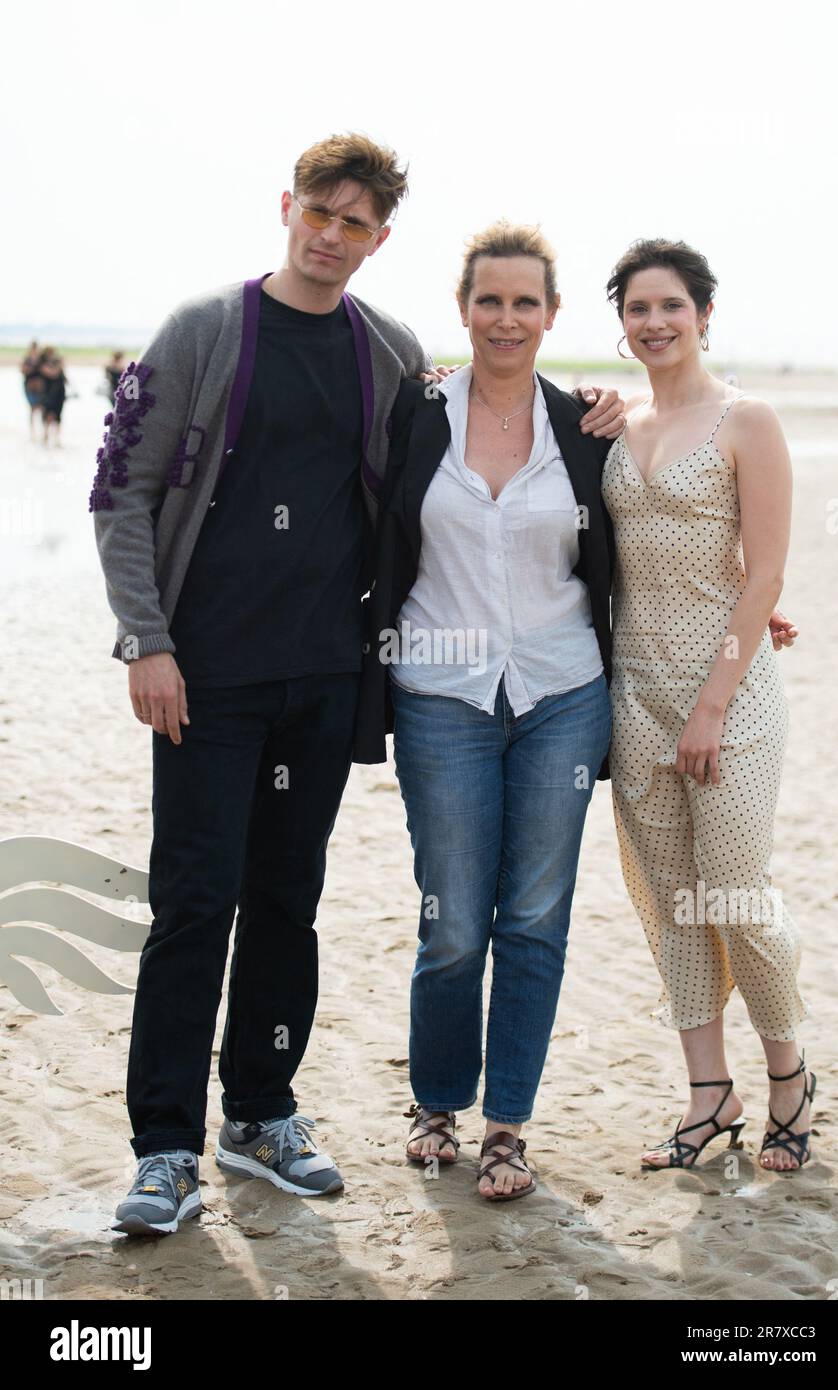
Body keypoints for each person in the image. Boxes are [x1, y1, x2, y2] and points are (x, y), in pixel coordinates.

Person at [92, 138, 623, 1236]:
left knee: (288, 904)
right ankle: (162, 1148)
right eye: (318, 214)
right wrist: (145, 638)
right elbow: (119, 487)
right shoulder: (203, 330)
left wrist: (609, 419)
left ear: (380, 239)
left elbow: (434, 481)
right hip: (204, 676)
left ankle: (263, 1113)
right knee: (193, 904)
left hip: (327, 680)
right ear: (286, 208)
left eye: (356, 224)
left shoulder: (386, 351)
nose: (331, 237)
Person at [354, 221, 628, 1200]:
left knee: (534, 919)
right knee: (455, 918)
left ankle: (506, 1123)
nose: (505, 318)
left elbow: (667, 527)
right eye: (488, 300)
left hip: (562, 696)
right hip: (442, 697)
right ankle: (436, 1099)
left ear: (551, 315)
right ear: (463, 309)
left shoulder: (585, 428)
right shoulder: (415, 416)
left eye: (524, 302)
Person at [600, 239, 815, 1173]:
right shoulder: (614, 423)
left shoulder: (746, 419)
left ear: (703, 315)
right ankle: (706, 1097)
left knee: (733, 889)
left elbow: (765, 570)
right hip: (632, 691)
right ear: (621, 325)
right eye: (637, 310)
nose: (654, 324)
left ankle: (790, 1077)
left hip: (725, 697)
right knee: (669, 900)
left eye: (671, 308)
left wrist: (713, 705)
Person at [39, 347, 67, 447]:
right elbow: (53, 374)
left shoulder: (56, 363)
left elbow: (63, 378)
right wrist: (59, 366)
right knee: (48, 415)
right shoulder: (42, 364)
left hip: (59, 393)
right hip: (48, 393)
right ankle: (45, 436)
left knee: (58, 416)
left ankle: (57, 438)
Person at [21, 341, 45, 439]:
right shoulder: (27, 359)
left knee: (42, 408)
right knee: (32, 409)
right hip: (29, 387)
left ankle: (43, 431)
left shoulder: (41, 359)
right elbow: (23, 370)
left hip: (40, 388)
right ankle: (32, 432)